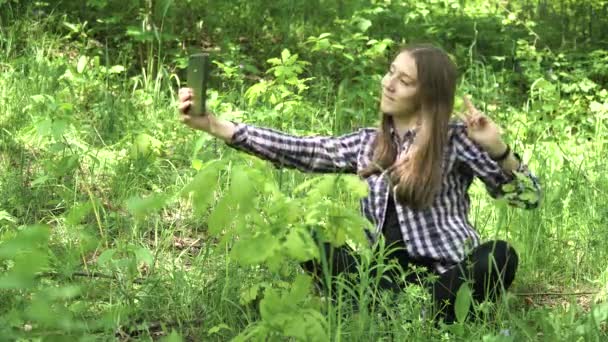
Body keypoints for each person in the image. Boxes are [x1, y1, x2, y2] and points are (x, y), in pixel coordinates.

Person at [177, 44, 541, 323]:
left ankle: (426, 315)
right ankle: (386, 309)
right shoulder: (368, 143)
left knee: (500, 254)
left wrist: (499, 150)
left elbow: (528, 198)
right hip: (381, 282)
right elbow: (305, 150)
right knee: (305, 238)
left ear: (427, 94)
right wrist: (218, 126)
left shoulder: (456, 139)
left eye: (405, 80)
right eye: (390, 72)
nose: (389, 83)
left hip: (447, 279)